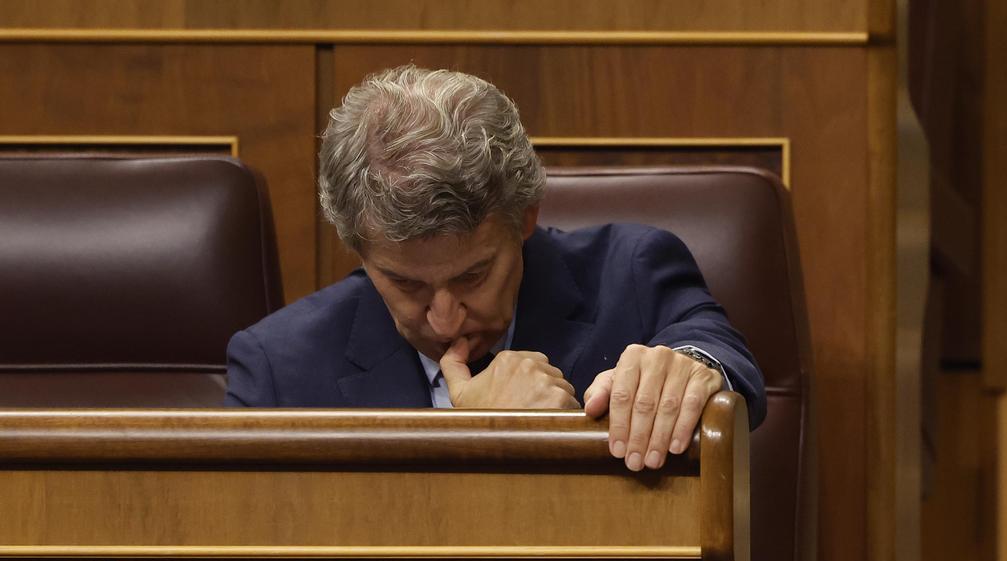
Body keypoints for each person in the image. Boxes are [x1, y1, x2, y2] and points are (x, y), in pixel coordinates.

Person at [225, 64, 766, 471]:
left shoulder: (630, 273)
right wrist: (478, 442)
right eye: (406, 282)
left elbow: (720, 351)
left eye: (472, 277)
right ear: (358, 250)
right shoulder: (280, 369)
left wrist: (690, 367)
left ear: (525, 219)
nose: (444, 320)